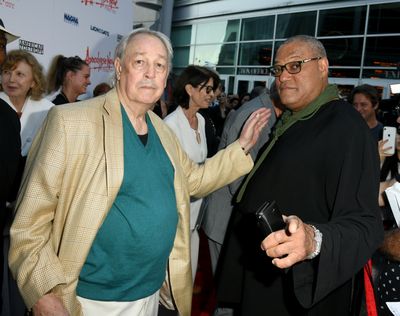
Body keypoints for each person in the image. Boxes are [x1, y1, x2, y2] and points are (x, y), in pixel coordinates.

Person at [8, 28, 270, 316]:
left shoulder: (163, 131)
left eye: (159, 65)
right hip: (89, 300)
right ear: (119, 68)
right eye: (140, 62)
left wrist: (241, 146)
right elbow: (29, 224)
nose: (150, 73)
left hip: (150, 293)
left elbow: (193, 181)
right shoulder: (71, 122)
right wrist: (44, 293)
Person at [216, 35, 383, 316]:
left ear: (323, 66)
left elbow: (365, 224)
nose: (283, 76)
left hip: (297, 290)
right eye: (278, 69)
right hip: (266, 279)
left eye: (295, 66)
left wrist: (313, 240)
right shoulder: (299, 117)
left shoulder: (346, 126)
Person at [202, 80, 284, 276]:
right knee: (226, 292)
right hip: (228, 219)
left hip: (234, 217)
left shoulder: (265, 111)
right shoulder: (256, 114)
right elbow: (237, 175)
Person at [164, 65, 220, 282]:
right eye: (206, 89)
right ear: (189, 89)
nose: (212, 94)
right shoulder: (171, 125)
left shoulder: (203, 121)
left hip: (195, 221)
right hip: (176, 224)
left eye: (213, 89)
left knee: (188, 284)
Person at [0, 50, 54, 158]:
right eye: (6, 72)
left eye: (19, 74)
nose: (11, 79)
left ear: (34, 81)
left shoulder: (47, 110)